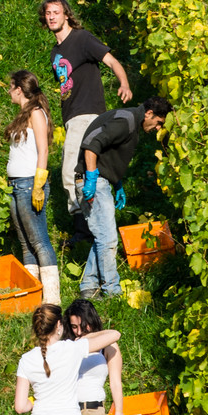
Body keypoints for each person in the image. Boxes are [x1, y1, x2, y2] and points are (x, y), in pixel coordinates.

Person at [39, 0, 133, 218]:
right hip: (72, 116)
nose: (51, 16)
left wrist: (125, 84)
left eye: (56, 12)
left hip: (87, 112)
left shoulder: (82, 38)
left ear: (67, 15)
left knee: (70, 168)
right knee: (87, 167)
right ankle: (97, 215)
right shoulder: (55, 52)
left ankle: (80, 221)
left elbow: (112, 61)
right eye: (48, 13)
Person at [74, 98, 172, 300]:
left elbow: (109, 155)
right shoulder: (126, 120)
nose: (158, 128)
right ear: (149, 113)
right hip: (93, 180)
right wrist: (91, 178)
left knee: (102, 236)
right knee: (108, 239)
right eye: (159, 122)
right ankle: (112, 292)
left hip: (101, 181)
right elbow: (92, 145)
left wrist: (117, 183)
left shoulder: (131, 122)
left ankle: (89, 287)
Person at [6, 71, 61, 305]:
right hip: (16, 185)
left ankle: (52, 299)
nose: (8, 91)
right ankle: (33, 297)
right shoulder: (23, 114)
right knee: (26, 243)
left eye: (10, 87)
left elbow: (44, 149)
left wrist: (39, 183)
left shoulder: (37, 113)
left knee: (39, 242)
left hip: (29, 184)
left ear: (19, 89)